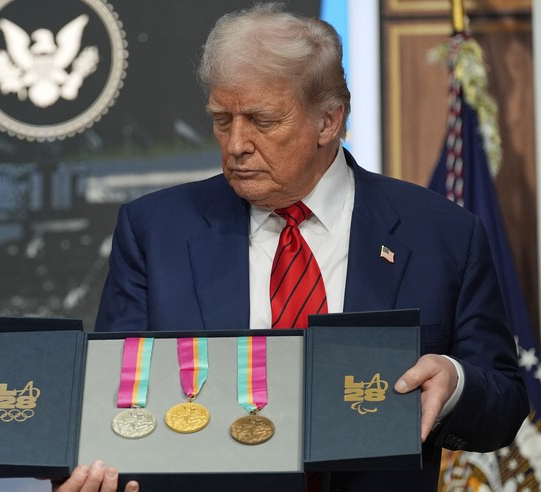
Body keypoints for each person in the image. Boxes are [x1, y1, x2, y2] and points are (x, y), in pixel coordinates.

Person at [88, 3, 528, 492]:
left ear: (329, 121)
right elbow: (115, 400)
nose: (236, 144)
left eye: (261, 120)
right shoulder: (154, 230)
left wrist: (453, 383)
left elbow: (506, 402)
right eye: (221, 119)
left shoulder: (443, 234)